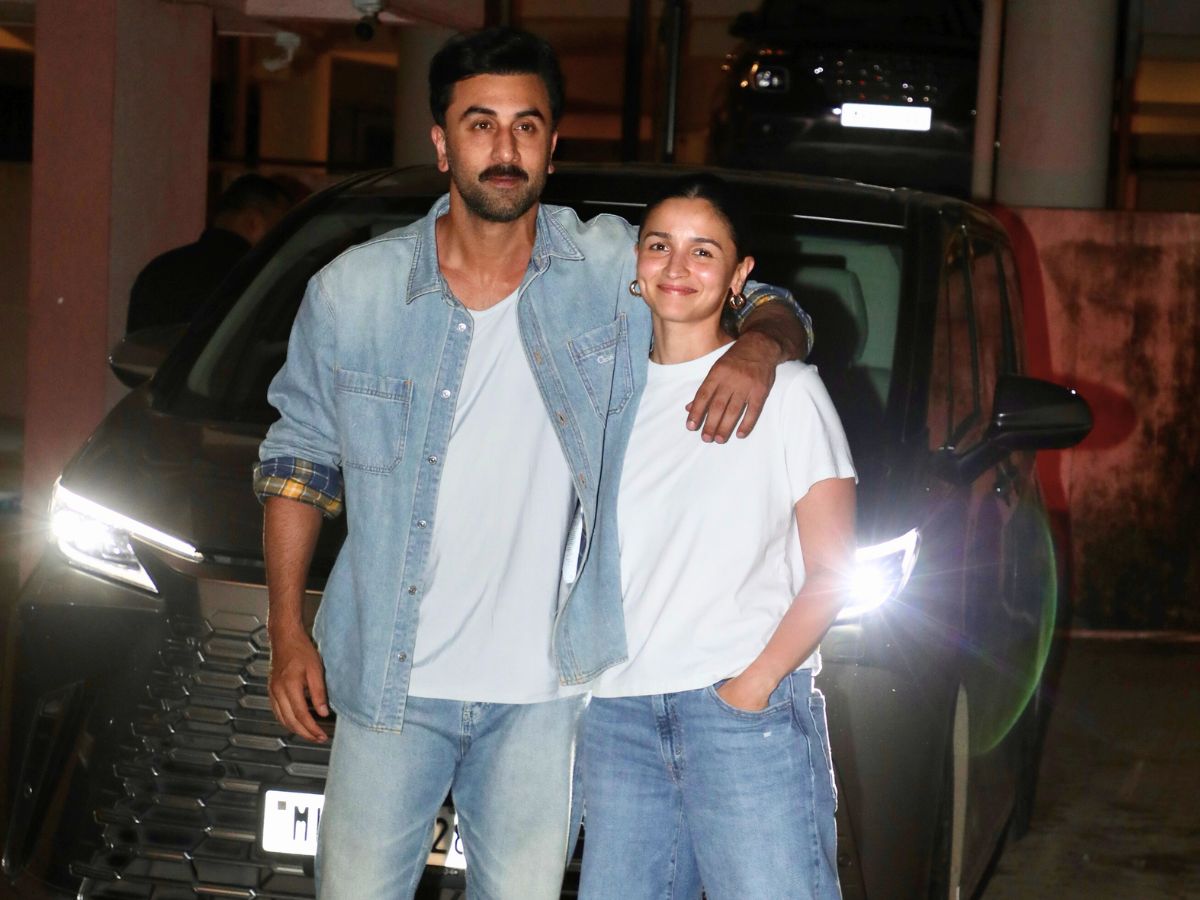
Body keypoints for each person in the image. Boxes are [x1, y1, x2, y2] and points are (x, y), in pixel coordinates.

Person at [253, 27, 812, 900]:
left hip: (545, 697)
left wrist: (759, 347)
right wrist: (289, 632)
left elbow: (758, 295)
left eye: (527, 126)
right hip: (391, 688)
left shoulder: (609, 269)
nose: (504, 148)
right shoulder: (354, 291)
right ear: (442, 143)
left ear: (554, 146)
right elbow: (300, 463)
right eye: (480, 124)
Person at [577, 174, 856, 900]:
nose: (677, 267)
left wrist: (751, 688)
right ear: (636, 265)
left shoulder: (790, 392)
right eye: (659, 246)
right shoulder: (603, 399)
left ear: (740, 276)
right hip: (619, 718)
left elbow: (833, 571)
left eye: (703, 251)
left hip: (742, 716)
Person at [126, 173, 292, 333]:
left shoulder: (158, 269)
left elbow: (136, 345)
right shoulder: (256, 279)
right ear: (253, 222)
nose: (283, 242)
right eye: (278, 229)